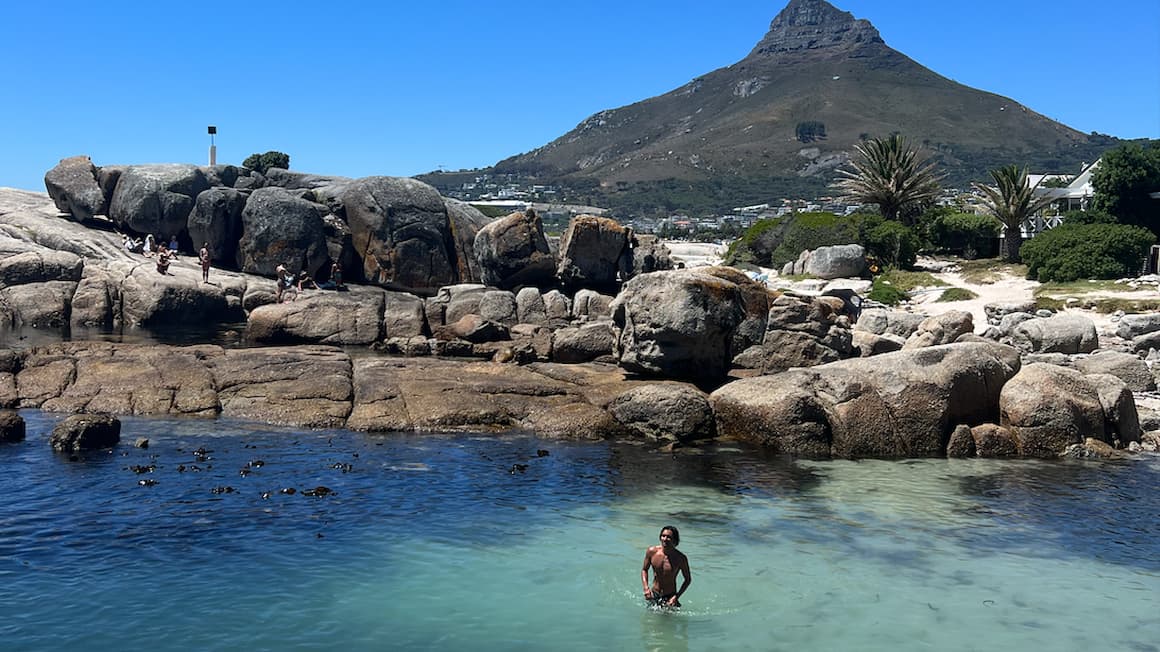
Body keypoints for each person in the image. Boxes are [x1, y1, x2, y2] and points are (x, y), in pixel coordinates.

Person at [641, 525, 691, 609]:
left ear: (675, 540)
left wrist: (676, 597)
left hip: (670, 597)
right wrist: (646, 588)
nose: (665, 539)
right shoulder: (652, 551)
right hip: (654, 594)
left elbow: (687, 579)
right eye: (663, 536)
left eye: (668, 537)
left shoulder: (681, 558)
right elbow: (644, 570)